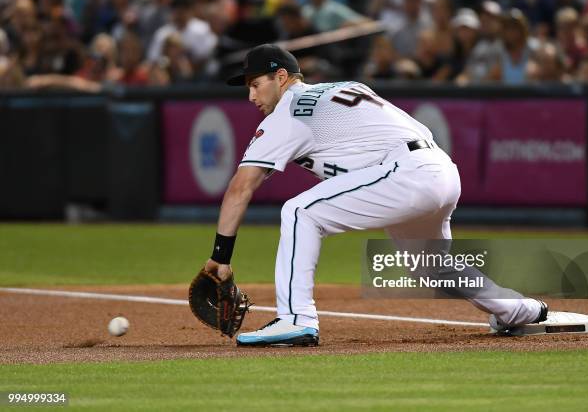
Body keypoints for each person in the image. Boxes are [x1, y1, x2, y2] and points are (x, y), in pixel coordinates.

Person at [201, 44, 548, 347]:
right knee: (430, 265)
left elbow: (240, 187)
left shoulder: (288, 111)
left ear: (280, 77)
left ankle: (296, 318)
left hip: (406, 174)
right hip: (439, 168)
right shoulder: (346, 86)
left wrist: (221, 255)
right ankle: (520, 310)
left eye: (255, 84)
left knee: (300, 211)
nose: (251, 97)